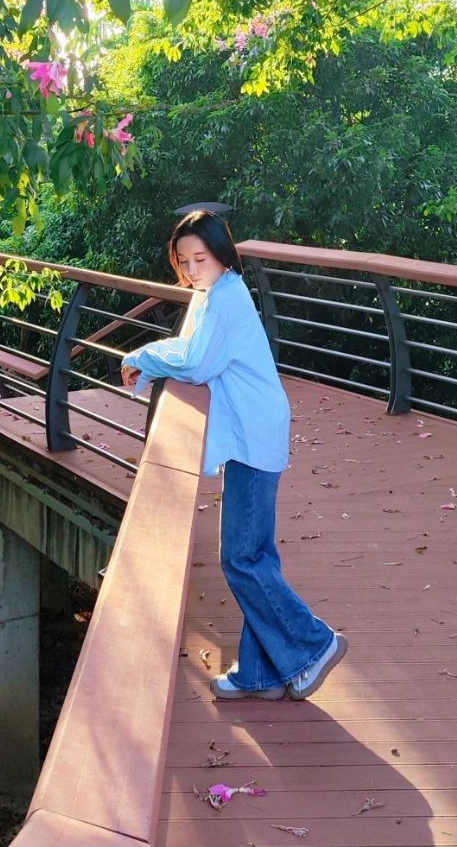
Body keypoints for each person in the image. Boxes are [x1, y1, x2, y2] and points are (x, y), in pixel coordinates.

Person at [120, 210, 348, 702]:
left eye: (200, 259)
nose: (192, 270)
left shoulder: (226, 298)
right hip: (253, 430)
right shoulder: (212, 296)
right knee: (256, 554)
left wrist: (139, 358)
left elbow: (198, 362)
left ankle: (314, 644)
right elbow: (191, 349)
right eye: (183, 261)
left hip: (254, 435)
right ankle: (261, 673)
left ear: (222, 255)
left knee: (241, 557)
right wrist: (156, 360)